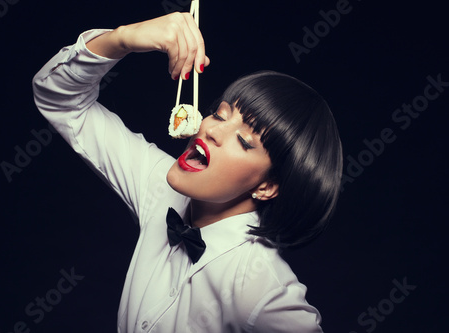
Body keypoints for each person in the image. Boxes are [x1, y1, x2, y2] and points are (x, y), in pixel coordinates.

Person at [33, 12, 342, 333]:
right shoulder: (158, 186)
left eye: (243, 140)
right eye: (220, 115)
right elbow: (62, 101)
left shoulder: (261, 287)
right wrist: (122, 39)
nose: (211, 130)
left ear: (267, 186)